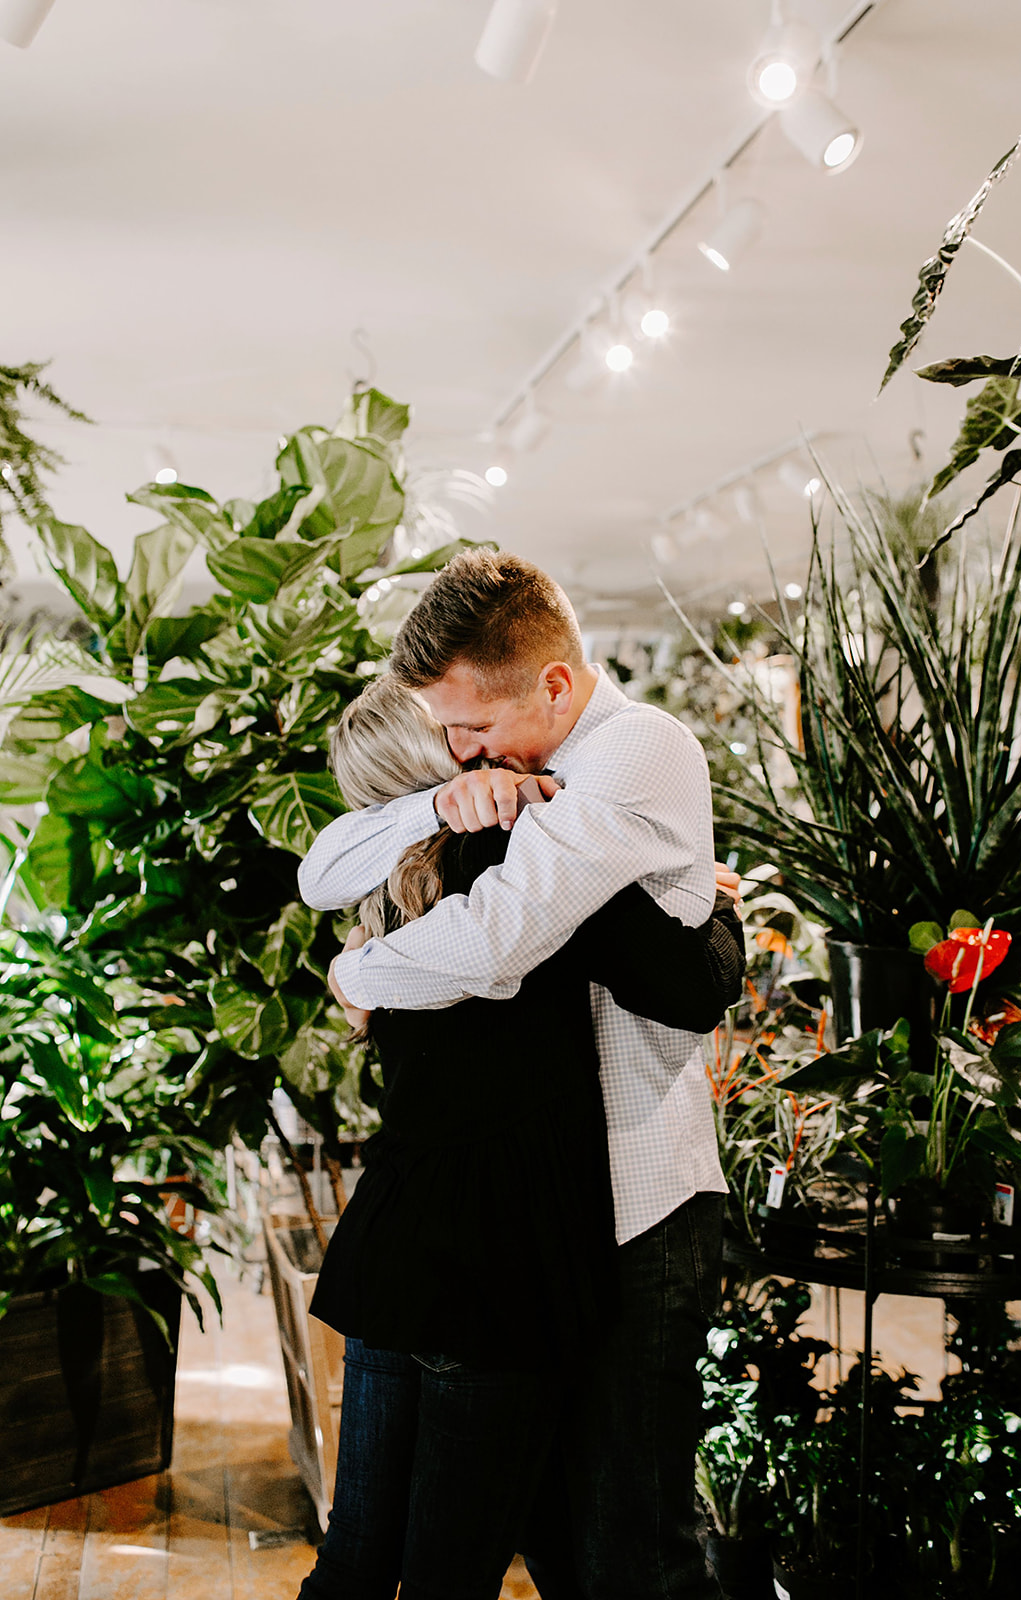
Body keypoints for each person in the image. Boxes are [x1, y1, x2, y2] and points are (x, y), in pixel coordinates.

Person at [299, 549, 738, 1600]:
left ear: (550, 684)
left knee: (631, 1547)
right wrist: (438, 806)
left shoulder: (633, 749)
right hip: (544, 1213)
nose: (457, 753)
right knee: (556, 1539)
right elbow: (322, 866)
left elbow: (499, 942)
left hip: (636, 1203)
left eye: (472, 731)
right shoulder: (504, 783)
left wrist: (358, 971)